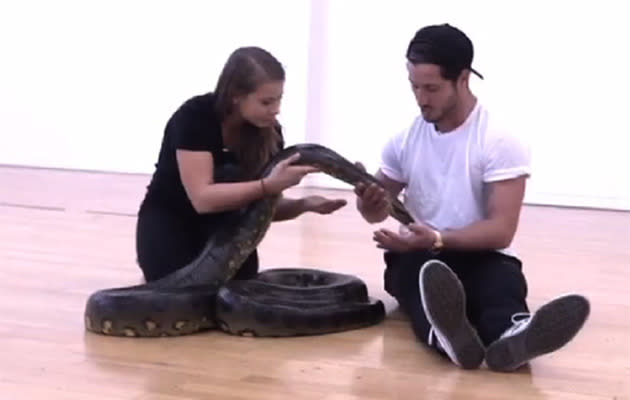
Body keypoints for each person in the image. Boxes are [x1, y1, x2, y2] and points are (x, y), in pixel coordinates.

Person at [353, 24, 590, 372]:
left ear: (463, 79)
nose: (421, 98)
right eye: (414, 87)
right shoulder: (403, 141)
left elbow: (501, 230)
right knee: (419, 277)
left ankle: (512, 335)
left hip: (480, 254)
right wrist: (369, 203)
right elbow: (374, 212)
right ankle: (449, 337)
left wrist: (437, 238)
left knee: (501, 283)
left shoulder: (498, 140)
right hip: (419, 257)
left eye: (431, 88)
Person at [135, 46, 347, 283]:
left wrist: (303, 204)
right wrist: (269, 185)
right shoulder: (194, 117)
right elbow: (203, 199)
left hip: (224, 227)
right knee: (175, 290)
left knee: (237, 289)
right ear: (236, 95)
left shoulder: (269, 133)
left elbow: (261, 206)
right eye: (266, 101)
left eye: (279, 99)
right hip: (171, 220)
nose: (276, 109)